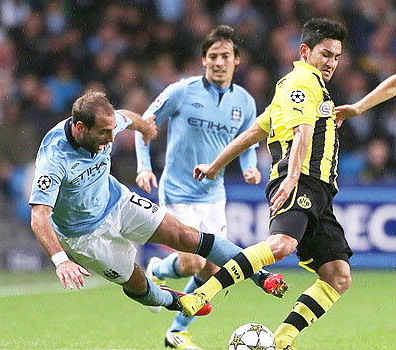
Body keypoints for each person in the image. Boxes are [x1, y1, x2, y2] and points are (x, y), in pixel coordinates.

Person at [179, 18, 351, 350]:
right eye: (326, 53)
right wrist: (291, 179)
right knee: (281, 246)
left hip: (319, 193)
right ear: (305, 51)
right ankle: (203, 293)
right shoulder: (304, 80)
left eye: (337, 56)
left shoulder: (295, 86)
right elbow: (302, 130)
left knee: (337, 276)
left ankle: (282, 342)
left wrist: (215, 164)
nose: (332, 62)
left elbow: (255, 132)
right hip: (300, 179)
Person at [28, 91, 276, 322]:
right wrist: (61, 260)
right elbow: (39, 216)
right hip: (84, 235)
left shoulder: (107, 124)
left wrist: (144, 126)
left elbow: (128, 117)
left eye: (113, 129)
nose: (111, 138)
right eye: (104, 132)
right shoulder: (54, 158)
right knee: (136, 282)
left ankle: (260, 275)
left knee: (185, 235)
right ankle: (174, 300)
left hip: (118, 202)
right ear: (80, 128)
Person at [134, 25, 288, 350]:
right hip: (177, 191)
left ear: (237, 61)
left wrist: (249, 169)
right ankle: (157, 268)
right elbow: (144, 125)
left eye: (226, 56)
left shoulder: (245, 102)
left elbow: (248, 142)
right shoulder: (181, 91)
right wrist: (144, 166)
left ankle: (177, 330)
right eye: (213, 56)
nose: (219, 62)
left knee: (214, 269)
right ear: (203, 60)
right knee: (192, 262)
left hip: (214, 194)